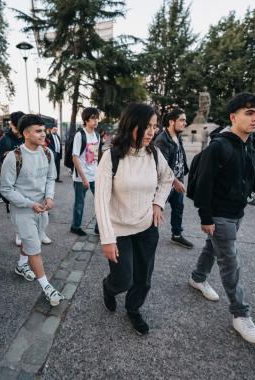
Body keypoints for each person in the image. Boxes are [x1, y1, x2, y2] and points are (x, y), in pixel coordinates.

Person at [189, 92, 255, 344]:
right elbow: (203, 183)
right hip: (219, 213)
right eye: (249, 112)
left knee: (213, 250)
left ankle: (197, 277)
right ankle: (240, 314)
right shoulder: (219, 146)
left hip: (237, 212)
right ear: (233, 117)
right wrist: (206, 217)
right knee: (230, 261)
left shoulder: (253, 145)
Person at [95, 103, 173, 335]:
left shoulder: (155, 154)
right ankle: (109, 287)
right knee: (122, 279)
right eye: (146, 126)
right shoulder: (112, 157)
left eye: (154, 126)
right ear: (131, 125)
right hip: (119, 230)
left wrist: (158, 203)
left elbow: (167, 179)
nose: (152, 131)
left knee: (143, 278)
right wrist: (107, 238)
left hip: (147, 226)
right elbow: (100, 199)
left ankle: (133, 309)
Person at [0, 114, 64, 305]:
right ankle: (47, 287)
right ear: (26, 134)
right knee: (34, 248)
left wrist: (49, 197)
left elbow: (50, 178)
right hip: (23, 210)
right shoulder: (13, 157)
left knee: (30, 241)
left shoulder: (47, 153)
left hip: (42, 209)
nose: (43, 134)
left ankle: (21, 266)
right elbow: (5, 189)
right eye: (38, 131)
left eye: (43, 130)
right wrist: (29, 204)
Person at [155, 108, 194, 249]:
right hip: (165, 184)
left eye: (185, 120)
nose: (185, 123)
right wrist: (176, 182)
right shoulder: (162, 140)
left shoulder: (177, 137)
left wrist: (182, 177)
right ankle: (147, 235)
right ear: (172, 122)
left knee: (178, 209)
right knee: (156, 209)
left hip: (177, 182)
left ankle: (177, 235)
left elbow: (180, 158)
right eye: (182, 120)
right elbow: (163, 167)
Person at [70, 107, 101, 236]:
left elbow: (96, 156)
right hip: (81, 177)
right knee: (79, 204)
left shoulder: (97, 135)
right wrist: (83, 178)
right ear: (86, 120)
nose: (96, 121)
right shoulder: (80, 135)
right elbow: (75, 157)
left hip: (95, 174)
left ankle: (99, 228)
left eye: (97, 118)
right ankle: (75, 226)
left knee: (101, 202)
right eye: (93, 118)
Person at [0, 112, 25, 203]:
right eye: (16, 128)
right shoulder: (4, 140)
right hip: (13, 183)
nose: (19, 132)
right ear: (11, 124)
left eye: (21, 128)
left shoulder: (27, 137)